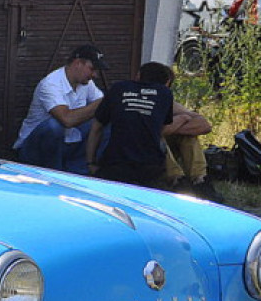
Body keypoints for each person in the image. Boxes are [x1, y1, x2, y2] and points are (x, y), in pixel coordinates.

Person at [86, 62, 221, 201]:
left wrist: (90, 163)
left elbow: (204, 126)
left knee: (186, 136)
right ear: (167, 84)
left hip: (119, 163)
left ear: (138, 76)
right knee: (155, 136)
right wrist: (182, 119)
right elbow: (156, 131)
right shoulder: (163, 94)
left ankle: (199, 180)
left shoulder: (119, 89)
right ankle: (178, 180)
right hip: (145, 162)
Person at [14, 44, 107, 174]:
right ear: (78, 63)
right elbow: (66, 119)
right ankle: (54, 173)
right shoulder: (51, 83)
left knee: (105, 123)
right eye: (92, 69)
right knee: (54, 126)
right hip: (34, 149)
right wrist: (103, 103)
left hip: (66, 144)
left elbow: (103, 106)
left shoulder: (86, 83)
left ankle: (80, 171)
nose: (95, 74)